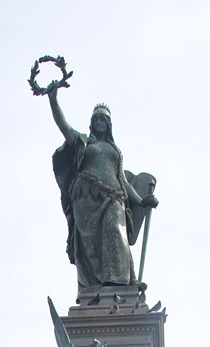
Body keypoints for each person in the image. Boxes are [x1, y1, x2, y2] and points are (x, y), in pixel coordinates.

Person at [47, 88, 157, 290]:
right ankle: (96, 288)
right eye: (96, 118)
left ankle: (121, 282)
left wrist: (142, 201)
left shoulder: (115, 150)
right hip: (86, 196)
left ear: (109, 124)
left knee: (116, 231)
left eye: (103, 119)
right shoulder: (82, 142)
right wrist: (53, 99)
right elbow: (63, 125)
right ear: (91, 123)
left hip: (114, 196)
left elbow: (123, 180)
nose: (99, 121)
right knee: (91, 244)